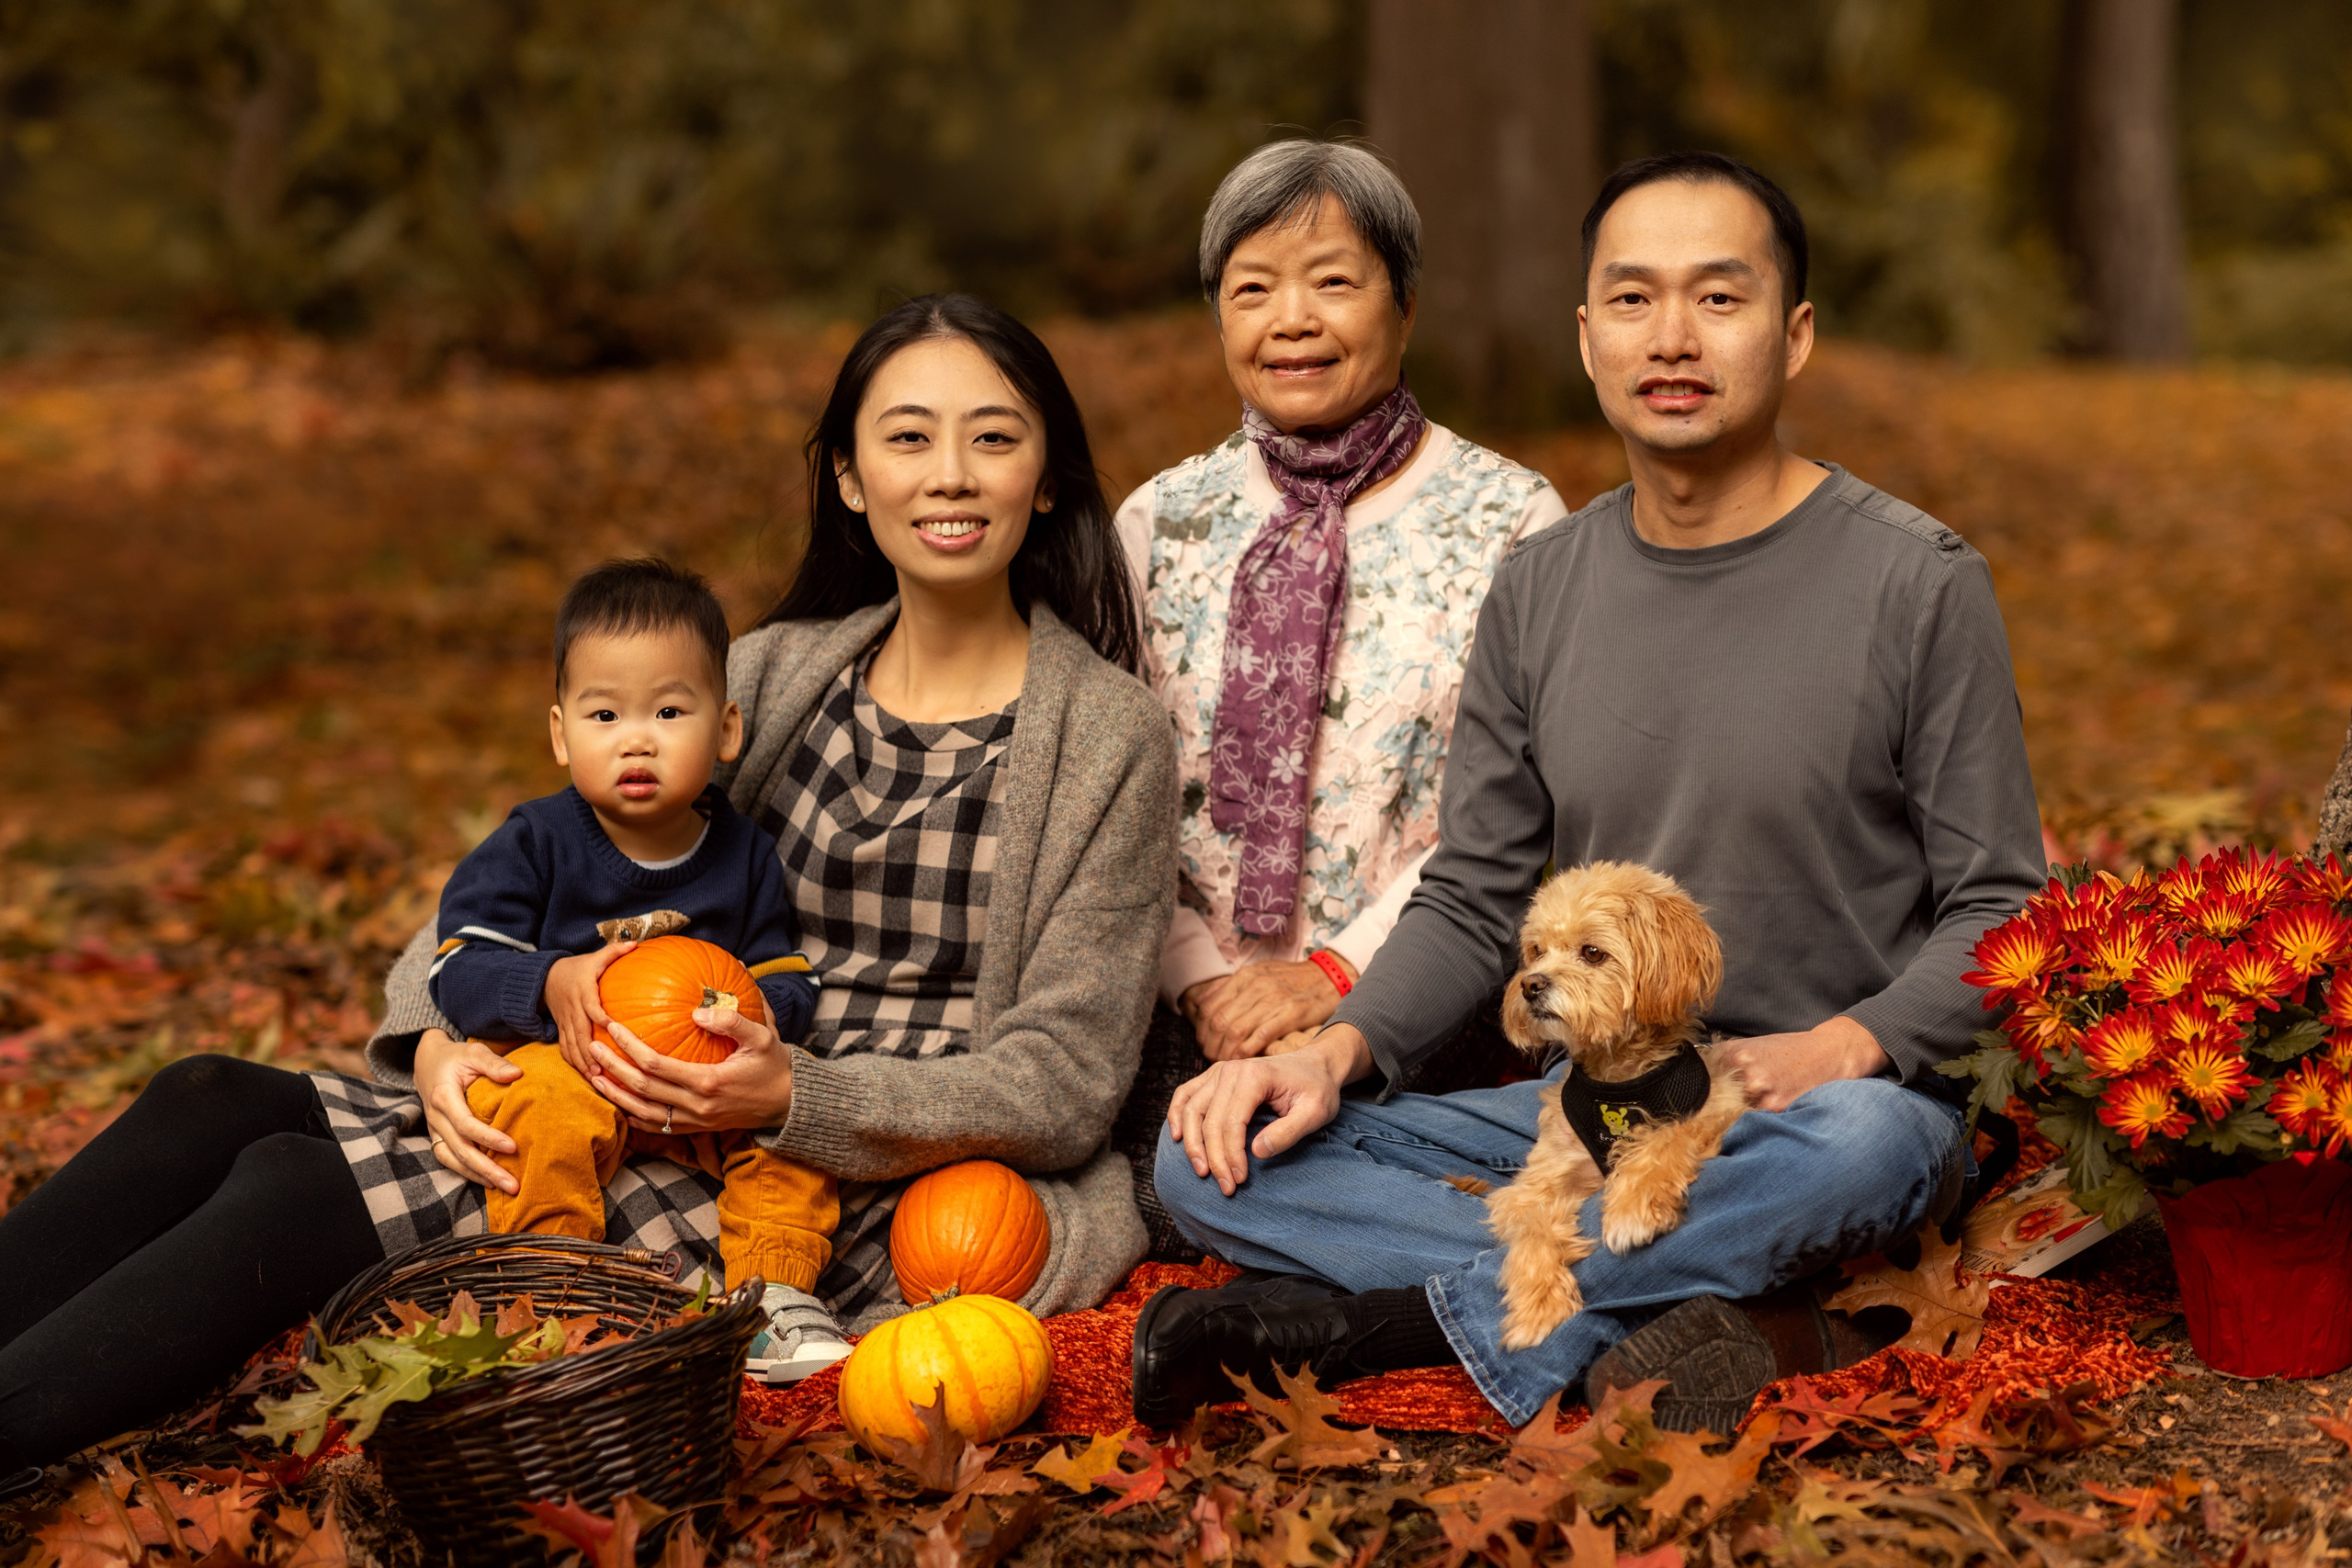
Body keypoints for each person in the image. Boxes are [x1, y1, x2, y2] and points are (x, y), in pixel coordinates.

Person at [0, 294, 1175, 1489]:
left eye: (994, 435)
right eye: (909, 436)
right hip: (629, 1081)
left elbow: (1069, 1077)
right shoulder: (768, 674)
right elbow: (528, 874)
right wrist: (436, 1046)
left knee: (296, 1187)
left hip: (842, 1180)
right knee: (207, 1091)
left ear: (1047, 477)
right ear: (850, 477)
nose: (951, 474)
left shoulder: (1108, 735)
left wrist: (794, 1094)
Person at [1136, 152, 2047, 1434]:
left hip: (1810, 1107)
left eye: (1718, 300)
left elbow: (2007, 905)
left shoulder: (1918, 584)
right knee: (1207, 1161)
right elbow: (1474, 887)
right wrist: (1339, 1049)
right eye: (1632, 299)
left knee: (1874, 1149)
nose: (1670, 337)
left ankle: (1392, 1325)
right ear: (1586, 335)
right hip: (1591, 1108)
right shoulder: (1544, 585)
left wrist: (1846, 1041)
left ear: (1794, 337)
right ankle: (1745, 1312)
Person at [1109, 138, 1567, 1256]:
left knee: (1259, 1188)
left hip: (1427, 1016)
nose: (1291, 319)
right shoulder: (1155, 524)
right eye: (1252, 290)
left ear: (1404, 306)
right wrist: (1201, 982)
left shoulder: (1513, 522)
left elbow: (1517, 815)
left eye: (1332, 280)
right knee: (1175, 1189)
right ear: (1218, 319)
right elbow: (1116, 805)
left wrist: (1337, 976)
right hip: (1191, 1024)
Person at [431, 556, 845, 1382]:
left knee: (794, 1130)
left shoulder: (745, 854)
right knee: (532, 1106)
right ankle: (548, 1284)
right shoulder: (534, 842)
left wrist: (762, 1015)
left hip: (708, 1086)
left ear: (725, 729)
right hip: (581, 1063)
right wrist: (547, 984)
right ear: (560, 734)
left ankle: (772, 1296)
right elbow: (457, 967)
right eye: (605, 713)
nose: (637, 737)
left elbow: (790, 971)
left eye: (668, 708)